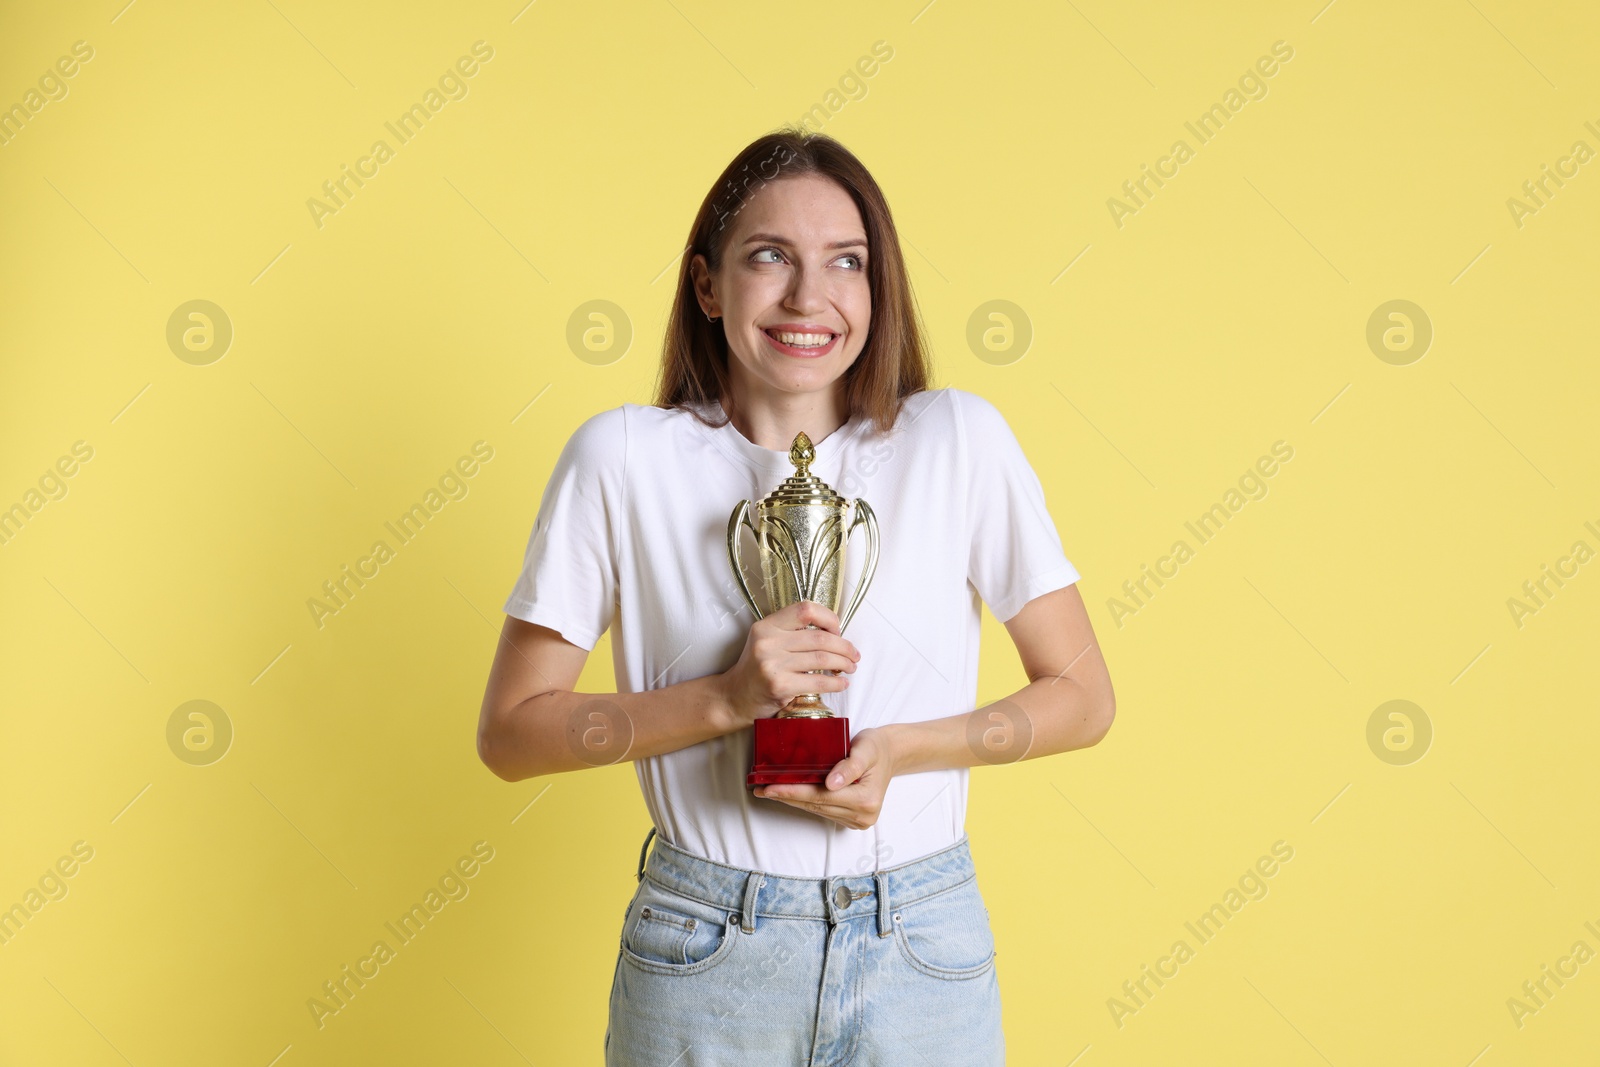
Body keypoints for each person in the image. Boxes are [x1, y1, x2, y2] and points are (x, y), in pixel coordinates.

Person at [476, 126, 1115, 1066]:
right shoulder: (620, 458)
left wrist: (902, 751)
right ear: (706, 284)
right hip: (706, 948)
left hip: (919, 944)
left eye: (845, 263)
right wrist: (724, 701)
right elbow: (512, 734)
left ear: (876, 285)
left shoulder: (959, 441)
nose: (807, 298)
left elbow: (1083, 695)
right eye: (769, 256)